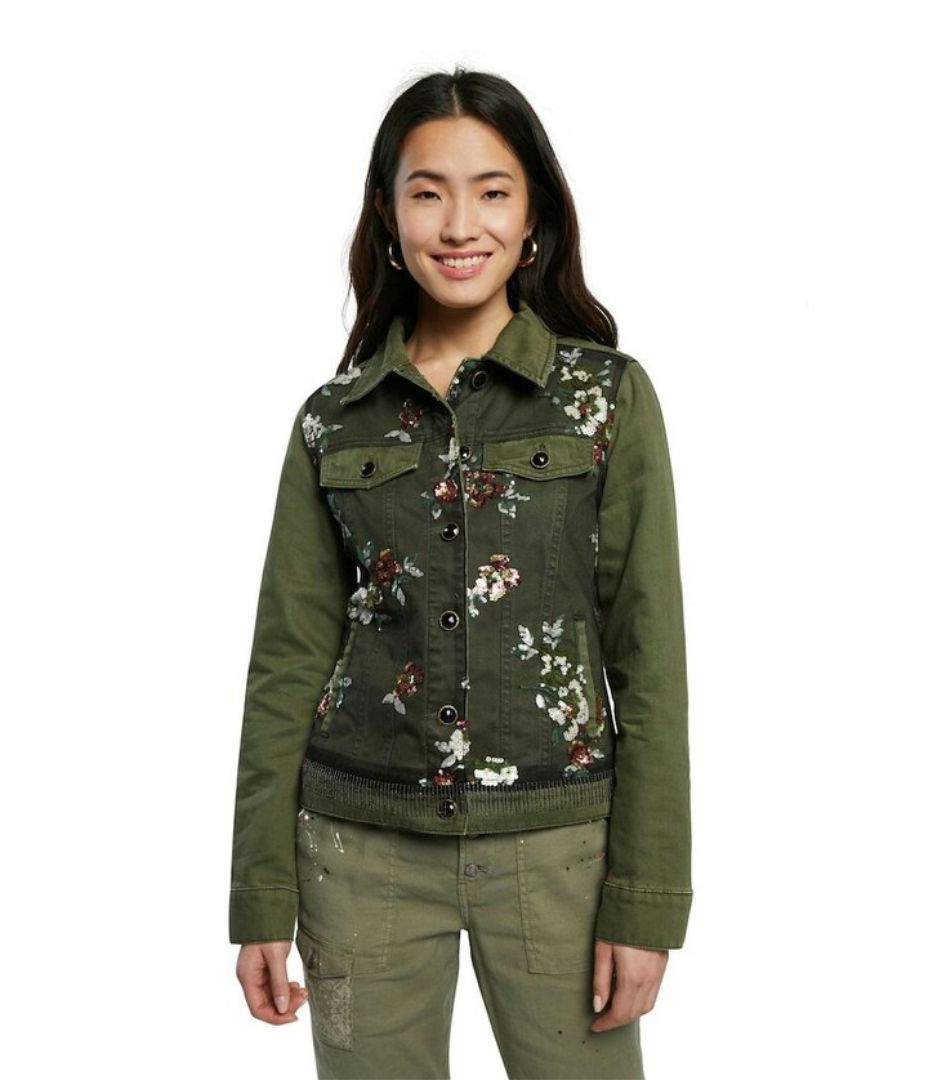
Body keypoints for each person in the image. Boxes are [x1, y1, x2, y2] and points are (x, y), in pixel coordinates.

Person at [229, 66, 693, 1080]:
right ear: (388, 219)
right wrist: (259, 892)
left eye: (491, 191)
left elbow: (650, 661)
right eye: (427, 191)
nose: (458, 223)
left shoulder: (604, 399)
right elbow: (287, 663)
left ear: (533, 220)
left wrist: (647, 899)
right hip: (358, 853)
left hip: (561, 853)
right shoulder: (331, 421)